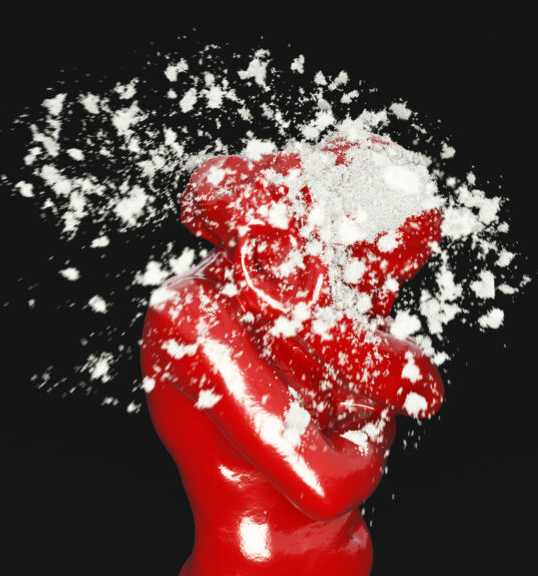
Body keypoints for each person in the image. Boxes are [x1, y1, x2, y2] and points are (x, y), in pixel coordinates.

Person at [141, 136, 444, 575]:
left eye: (397, 279)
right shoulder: (190, 311)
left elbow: (424, 391)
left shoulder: (323, 292)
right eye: (378, 271)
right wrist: (376, 422)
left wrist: (318, 327)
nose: (385, 296)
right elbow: (326, 489)